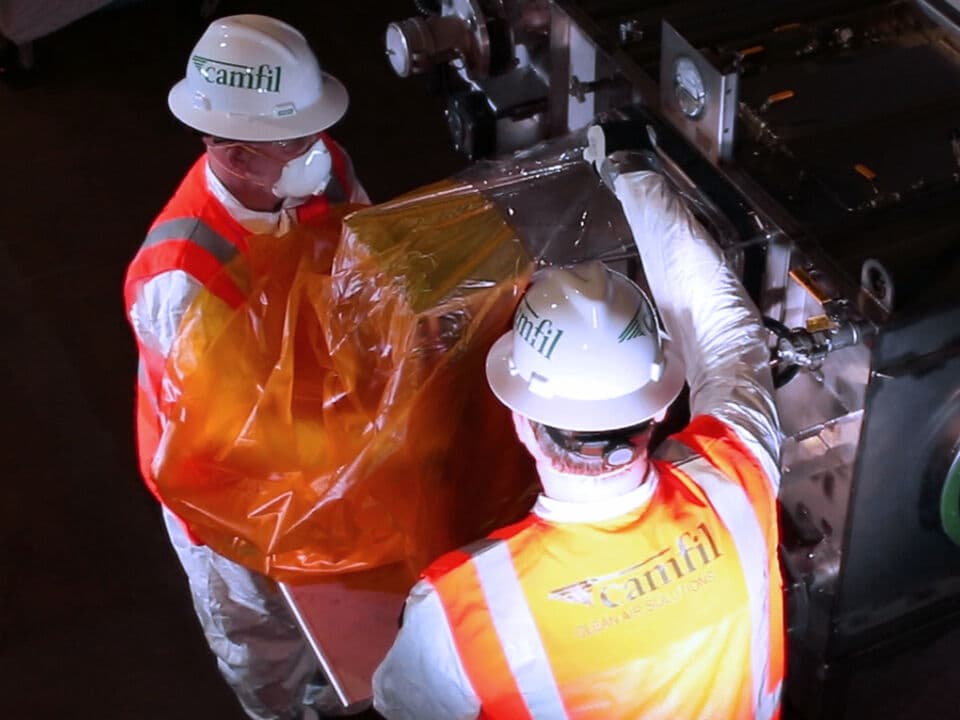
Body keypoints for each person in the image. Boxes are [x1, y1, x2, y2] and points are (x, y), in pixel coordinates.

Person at [372, 128, 785, 719]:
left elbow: (400, 706)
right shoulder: (740, 477)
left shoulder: (460, 610)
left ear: (520, 421)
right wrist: (635, 174)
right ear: (659, 407)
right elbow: (727, 333)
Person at [123, 14, 369, 720]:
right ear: (233, 156)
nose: (319, 150)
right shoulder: (183, 278)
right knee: (261, 636)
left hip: (320, 444)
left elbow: (370, 267)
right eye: (295, 141)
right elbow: (225, 439)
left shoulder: (321, 167)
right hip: (228, 498)